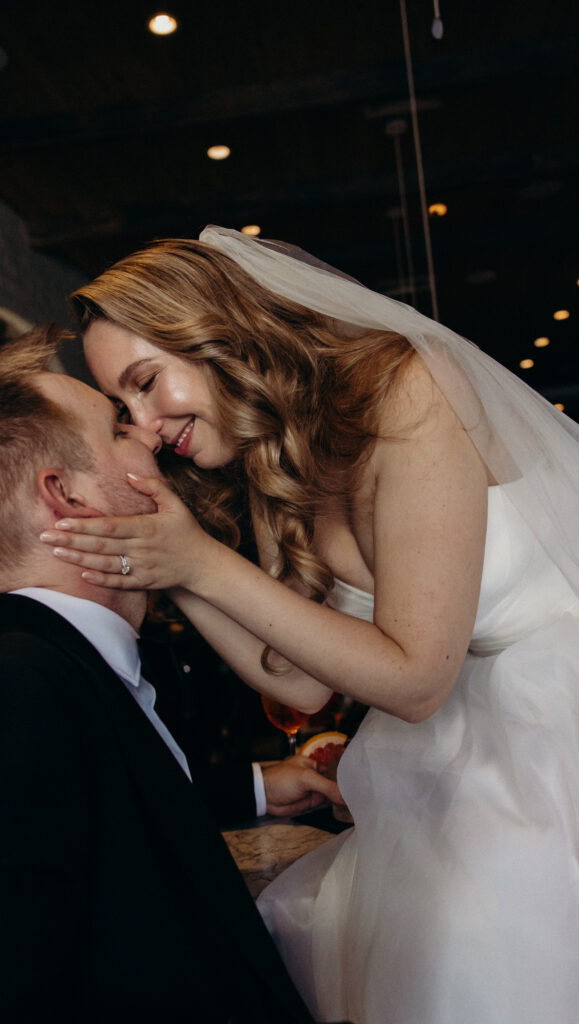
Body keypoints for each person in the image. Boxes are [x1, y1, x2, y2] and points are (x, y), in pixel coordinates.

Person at [40, 226, 579, 1024]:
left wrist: (197, 564)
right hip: (464, 736)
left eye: (148, 383)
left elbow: (416, 679)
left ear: (214, 331)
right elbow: (297, 675)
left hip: (550, 711)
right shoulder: (273, 454)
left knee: (476, 946)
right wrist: (165, 563)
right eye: (123, 408)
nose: (146, 426)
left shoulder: (407, 389)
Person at [0, 327, 327, 1024]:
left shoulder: (52, 672)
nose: (150, 439)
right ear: (66, 495)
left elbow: (103, 818)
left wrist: (248, 786)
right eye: (118, 428)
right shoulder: (1, 698)